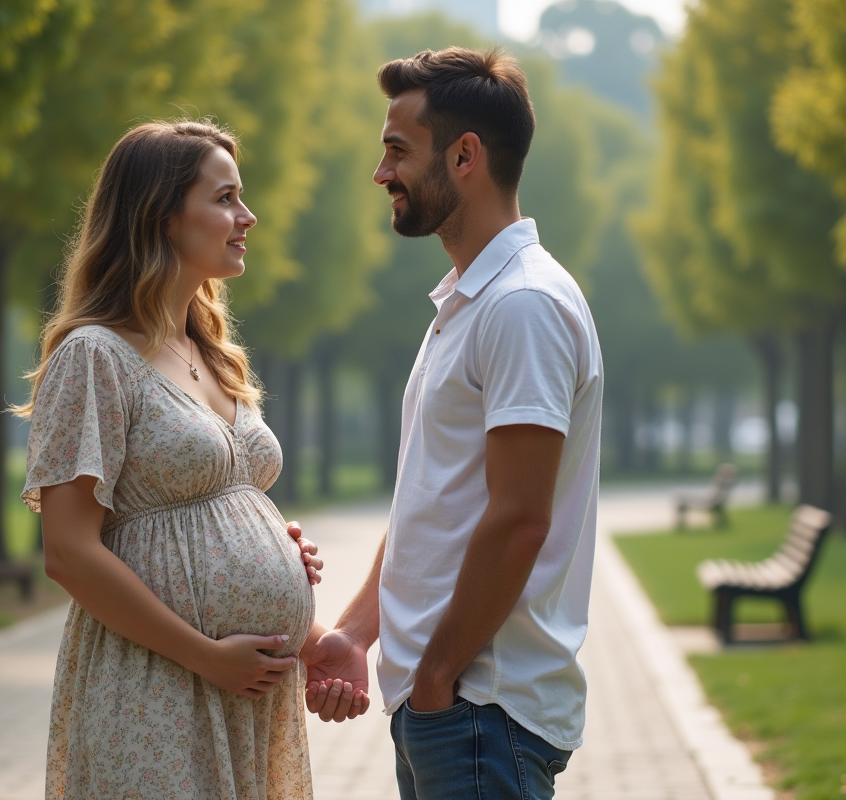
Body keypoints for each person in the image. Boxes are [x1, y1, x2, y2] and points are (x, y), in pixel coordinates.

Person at [16, 120, 367, 800]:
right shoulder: (94, 357)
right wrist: (207, 656)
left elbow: (208, 512)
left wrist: (307, 627)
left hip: (244, 693)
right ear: (162, 215)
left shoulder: (211, 351)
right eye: (226, 198)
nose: (248, 216)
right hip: (158, 686)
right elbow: (67, 551)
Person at [301, 48, 604, 800]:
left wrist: (437, 676)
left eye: (397, 150)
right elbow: (432, 504)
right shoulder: (471, 303)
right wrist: (355, 633)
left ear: (465, 156)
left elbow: (519, 519)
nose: (381, 174)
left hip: (478, 708)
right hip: (448, 709)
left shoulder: (522, 305)